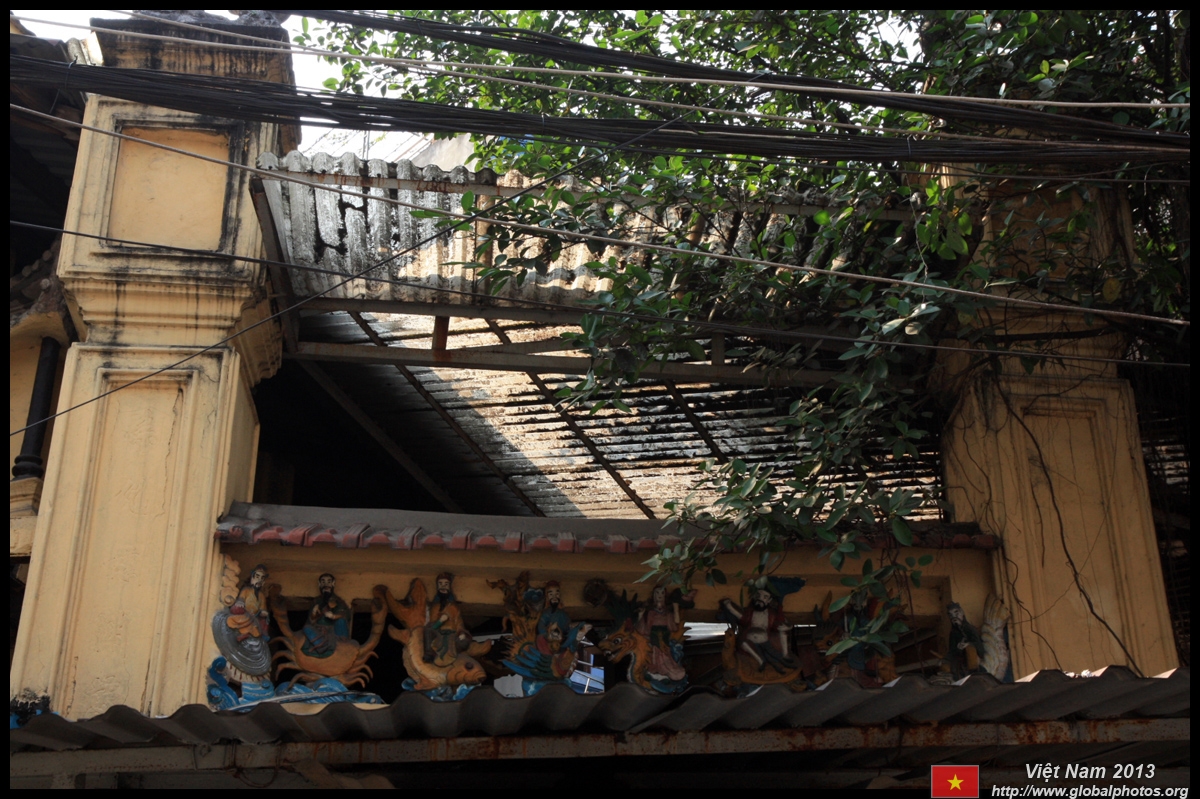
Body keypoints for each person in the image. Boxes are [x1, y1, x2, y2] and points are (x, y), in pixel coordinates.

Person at [721, 588, 796, 672]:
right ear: (754, 596)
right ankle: (760, 661)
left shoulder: (771, 614)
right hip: (750, 640)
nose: (760, 599)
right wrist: (729, 606)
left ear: (769, 600)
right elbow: (741, 617)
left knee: (773, 652)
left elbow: (784, 622)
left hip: (765, 639)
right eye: (758, 595)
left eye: (765, 597)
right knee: (743, 644)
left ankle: (785, 656)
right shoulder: (750, 612)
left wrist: (788, 626)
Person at [636, 585, 690, 681]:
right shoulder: (651, 612)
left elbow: (675, 624)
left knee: (666, 654)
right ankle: (655, 671)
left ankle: (667, 671)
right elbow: (644, 629)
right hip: (654, 635)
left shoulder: (667, 612)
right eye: (657, 593)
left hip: (665, 635)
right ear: (654, 595)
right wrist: (640, 615)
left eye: (662, 593)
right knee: (655, 653)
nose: (660, 595)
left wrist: (675, 607)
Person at [301, 573, 351, 658]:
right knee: (306, 628)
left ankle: (340, 645)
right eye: (323, 582)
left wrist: (333, 616)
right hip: (319, 630)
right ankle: (323, 647)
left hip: (334, 630)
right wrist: (314, 612)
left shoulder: (338, 601)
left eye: (329, 582)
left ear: (333, 583)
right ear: (319, 584)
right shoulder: (316, 601)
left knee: (341, 621)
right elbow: (311, 620)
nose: (326, 584)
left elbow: (346, 614)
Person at [226, 564, 270, 642]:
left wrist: (263, 613)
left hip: (255, 617)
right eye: (257, 577)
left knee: (264, 620)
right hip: (245, 614)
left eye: (262, 578)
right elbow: (241, 599)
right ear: (252, 578)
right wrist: (240, 603)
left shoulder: (261, 596)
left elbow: (263, 609)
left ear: (263, 582)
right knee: (237, 608)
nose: (259, 580)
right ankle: (245, 631)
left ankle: (246, 634)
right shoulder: (246, 590)